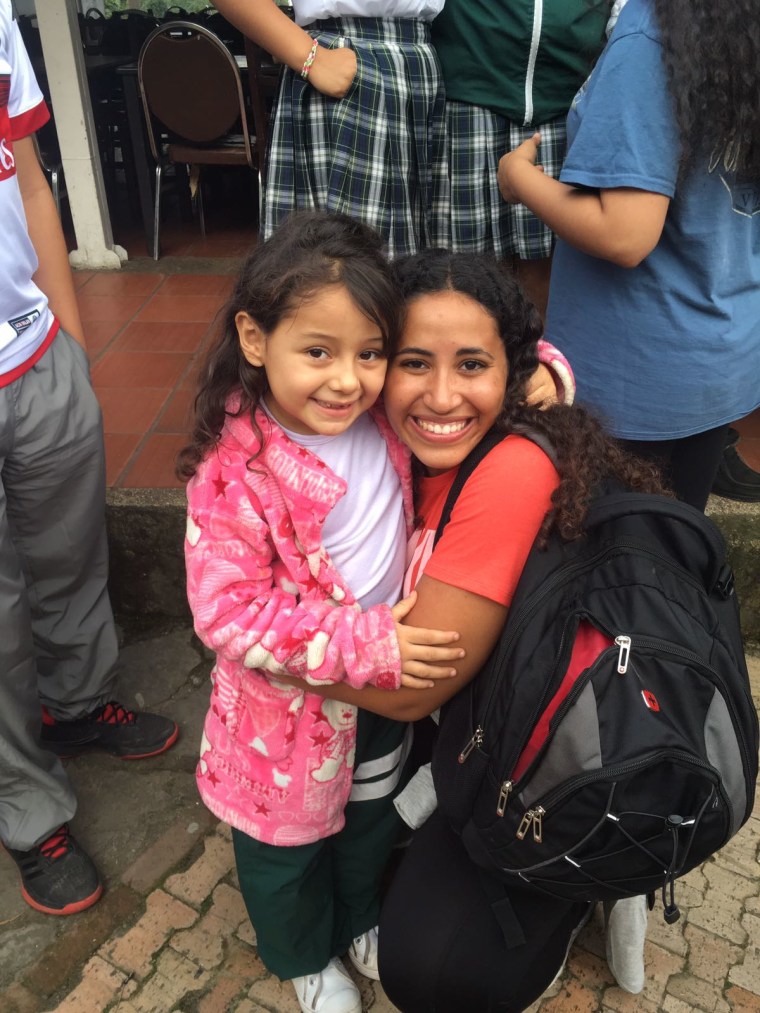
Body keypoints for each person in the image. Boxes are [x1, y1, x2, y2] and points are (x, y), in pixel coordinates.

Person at [177, 212, 573, 1013]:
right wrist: (360, 639)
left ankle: (361, 917)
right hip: (281, 723)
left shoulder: (371, 418)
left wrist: (548, 370)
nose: (347, 379)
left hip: (372, 708)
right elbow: (225, 611)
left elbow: (481, 345)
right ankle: (303, 955)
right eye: (317, 352)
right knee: (282, 852)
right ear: (255, 339)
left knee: (366, 821)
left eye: (369, 354)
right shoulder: (236, 471)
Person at [272, 248, 668, 1010]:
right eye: (414, 362)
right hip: (475, 714)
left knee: (435, 970)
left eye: (473, 365)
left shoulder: (511, 465)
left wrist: (265, 652)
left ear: (510, 372)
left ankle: (586, 881)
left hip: (550, 752)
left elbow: (415, 689)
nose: (442, 394)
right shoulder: (390, 442)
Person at [0, 1, 178, 918]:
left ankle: (77, 705)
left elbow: (28, 175)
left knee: (71, 551)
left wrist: (71, 338)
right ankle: (27, 807)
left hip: (33, 356)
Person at [498, 0, 760, 511]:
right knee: (672, 551)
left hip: (638, 376)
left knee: (622, 568)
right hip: (721, 354)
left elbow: (624, 234)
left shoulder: (653, 32)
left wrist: (519, 179)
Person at [211, 0, 449, 257]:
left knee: (417, 272)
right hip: (346, 60)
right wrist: (311, 57)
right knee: (343, 268)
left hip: (420, 68)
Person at [431, 0, 615, 316]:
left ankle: (542, 360)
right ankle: (474, 358)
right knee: (465, 269)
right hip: (467, 98)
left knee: (556, 264)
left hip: (569, 103)